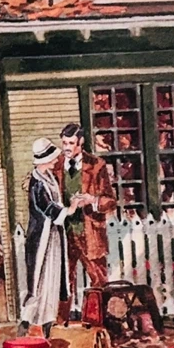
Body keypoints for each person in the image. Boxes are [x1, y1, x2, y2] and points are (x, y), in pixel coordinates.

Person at [56, 121, 116, 318]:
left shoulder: (97, 165)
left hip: (90, 233)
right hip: (65, 234)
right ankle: (61, 322)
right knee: (63, 281)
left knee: (98, 280)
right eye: (64, 143)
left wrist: (92, 200)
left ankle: (99, 321)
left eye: (71, 143)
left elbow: (110, 201)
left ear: (80, 142)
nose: (66, 148)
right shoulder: (56, 165)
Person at [20, 138, 76, 335]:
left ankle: (47, 324)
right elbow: (47, 207)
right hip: (41, 238)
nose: (55, 161)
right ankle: (26, 324)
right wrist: (70, 209)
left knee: (52, 281)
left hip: (53, 236)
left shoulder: (49, 177)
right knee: (39, 282)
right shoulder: (37, 182)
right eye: (52, 158)